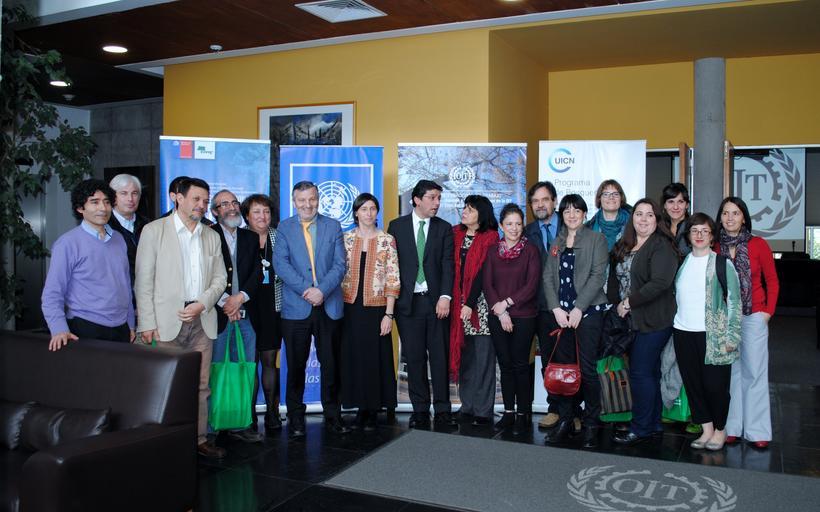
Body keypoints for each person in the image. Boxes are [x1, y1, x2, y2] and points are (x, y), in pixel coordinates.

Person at [135, 177, 228, 459]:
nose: (202, 205)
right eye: (196, 199)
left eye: (205, 200)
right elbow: (144, 281)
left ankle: (199, 439)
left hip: (202, 320)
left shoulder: (211, 235)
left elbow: (220, 279)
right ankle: (164, 442)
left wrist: (202, 303)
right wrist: (146, 323)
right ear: (178, 198)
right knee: (164, 386)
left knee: (201, 386)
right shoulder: (154, 231)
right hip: (164, 322)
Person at [273, 181, 349, 437]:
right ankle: (295, 417)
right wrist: (308, 290)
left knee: (332, 365)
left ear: (318, 199)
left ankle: (333, 416)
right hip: (297, 306)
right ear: (294, 202)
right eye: (302, 200)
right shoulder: (284, 228)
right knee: (295, 366)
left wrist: (321, 291)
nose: (308, 204)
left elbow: (340, 265)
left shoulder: (333, 226)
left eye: (312, 199)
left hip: (329, 306)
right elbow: (281, 265)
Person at [608, 198, 679, 446]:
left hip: (654, 320)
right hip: (630, 322)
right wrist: (617, 303)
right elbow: (614, 278)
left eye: (650, 215)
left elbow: (660, 283)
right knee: (650, 373)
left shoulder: (661, 245)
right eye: (639, 214)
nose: (644, 219)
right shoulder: (625, 244)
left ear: (657, 220)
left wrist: (628, 303)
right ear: (632, 218)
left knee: (640, 373)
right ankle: (653, 423)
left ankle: (640, 428)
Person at [387, 180, 457, 429]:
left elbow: (448, 265)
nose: (436, 203)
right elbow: (392, 265)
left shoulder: (444, 228)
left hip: (436, 303)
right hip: (408, 304)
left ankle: (443, 409)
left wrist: (445, 297)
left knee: (439, 357)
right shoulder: (396, 227)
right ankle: (419, 409)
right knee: (414, 358)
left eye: (439, 198)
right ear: (417, 199)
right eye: (432, 197)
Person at [542, 194, 609, 448]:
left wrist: (579, 308)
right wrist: (556, 308)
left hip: (588, 313)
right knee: (565, 371)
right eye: (567, 210)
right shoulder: (557, 241)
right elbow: (548, 277)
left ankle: (591, 423)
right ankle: (567, 420)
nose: (572, 215)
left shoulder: (596, 239)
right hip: (561, 316)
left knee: (587, 370)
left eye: (576, 210)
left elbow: (598, 276)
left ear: (584, 213)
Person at [673, 212, 742, 451]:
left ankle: (721, 430)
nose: (699, 235)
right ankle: (707, 429)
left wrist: (732, 336)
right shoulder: (683, 262)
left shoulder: (722, 264)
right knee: (693, 385)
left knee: (716, 387)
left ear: (712, 236)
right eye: (695, 231)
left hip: (714, 335)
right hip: (683, 332)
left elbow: (735, 302)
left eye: (705, 231)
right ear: (689, 236)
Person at [716, 197, 779, 449]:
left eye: (735, 213)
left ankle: (757, 431)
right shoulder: (715, 246)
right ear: (720, 218)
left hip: (754, 315)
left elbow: (772, 281)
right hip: (725, 319)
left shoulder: (758, 244)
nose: (730, 218)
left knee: (755, 372)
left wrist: (767, 313)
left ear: (744, 217)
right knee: (731, 373)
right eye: (725, 213)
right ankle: (732, 427)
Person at [42, 179, 135, 351]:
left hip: (121, 327)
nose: (103, 208)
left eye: (107, 202)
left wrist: (130, 322)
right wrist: (59, 329)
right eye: (94, 202)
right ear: (80, 208)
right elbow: (52, 293)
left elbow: (125, 286)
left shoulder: (119, 239)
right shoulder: (67, 243)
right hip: (85, 326)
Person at [340, 193, 400, 431]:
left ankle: (373, 408)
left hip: (377, 309)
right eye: (364, 209)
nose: (368, 213)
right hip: (349, 308)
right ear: (356, 212)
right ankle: (359, 407)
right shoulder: (345, 239)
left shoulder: (387, 240)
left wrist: (389, 314)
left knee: (375, 358)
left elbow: (393, 277)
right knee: (353, 357)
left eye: (373, 208)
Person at [210, 189, 263, 443]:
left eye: (234, 202)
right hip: (217, 315)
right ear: (215, 211)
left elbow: (256, 274)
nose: (232, 207)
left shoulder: (250, 237)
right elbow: (203, 274)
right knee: (216, 370)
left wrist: (239, 298)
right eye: (224, 204)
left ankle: (240, 423)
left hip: (246, 313)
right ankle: (212, 427)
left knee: (244, 370)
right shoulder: (207, 235)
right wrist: (226, 303)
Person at [483, 203, 540, 435]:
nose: (514, 228)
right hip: (498, 317)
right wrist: (501, 311)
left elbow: (531, 286)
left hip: (524, 316)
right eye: (509, 224)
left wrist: (506, 304)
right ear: (501, 226)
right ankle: (508, 412)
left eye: (518, 224)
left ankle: (523, 413)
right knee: (505, 365)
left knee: (520, 364)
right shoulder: (492, 251)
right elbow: (487, 284)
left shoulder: (531, 251)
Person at [449, 195, 498, 426]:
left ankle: (483, 410)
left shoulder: (490, 237)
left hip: (481, 306)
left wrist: (469, 303)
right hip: (458, 305)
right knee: (466, 359)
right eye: (465, 208)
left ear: (481, 214)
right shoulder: (455, 234)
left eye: (470, 209)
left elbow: (482, 273)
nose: (465, 212)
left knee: (484, 359)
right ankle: (467, 406)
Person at [523, 181, 568, 431]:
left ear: (554, 201)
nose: (540, 205)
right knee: (549, 361)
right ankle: (554, 408)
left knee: (572, 359)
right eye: (535, 201)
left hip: (571, 306)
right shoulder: (527, 231)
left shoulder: (570, 225)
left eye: (545, 199)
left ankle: (573, 410)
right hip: (541, 307)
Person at [240, 194, 285, 435]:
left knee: (269, 361)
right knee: (250, 363)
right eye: (256, 212)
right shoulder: (239, 238)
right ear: (247, 216)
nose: (262, 216)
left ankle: (272, 412)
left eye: (266, 211)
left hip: (272, 306)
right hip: (246, 307)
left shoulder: (279, 237)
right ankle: (248, 415)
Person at [107, 173, 150, 293]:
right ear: (113, 196)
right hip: (116, 293)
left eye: (134, 193)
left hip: (145, 292)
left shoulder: (149, 225)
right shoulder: (105, 226)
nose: (130, 199)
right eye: (124, 193)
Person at [586, 179, 631, 251]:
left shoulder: (634, 225)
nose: (611, 197)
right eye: (606, 194)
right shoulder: (588, 227)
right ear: (599, 199)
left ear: (621, 198)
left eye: (615, 194)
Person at [661, 182, 692, 257]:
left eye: (680, 202)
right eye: (671, 202)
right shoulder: (659, 229)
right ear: (665, 205)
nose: (675, 207)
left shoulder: (693, 227)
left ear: (687, 205)